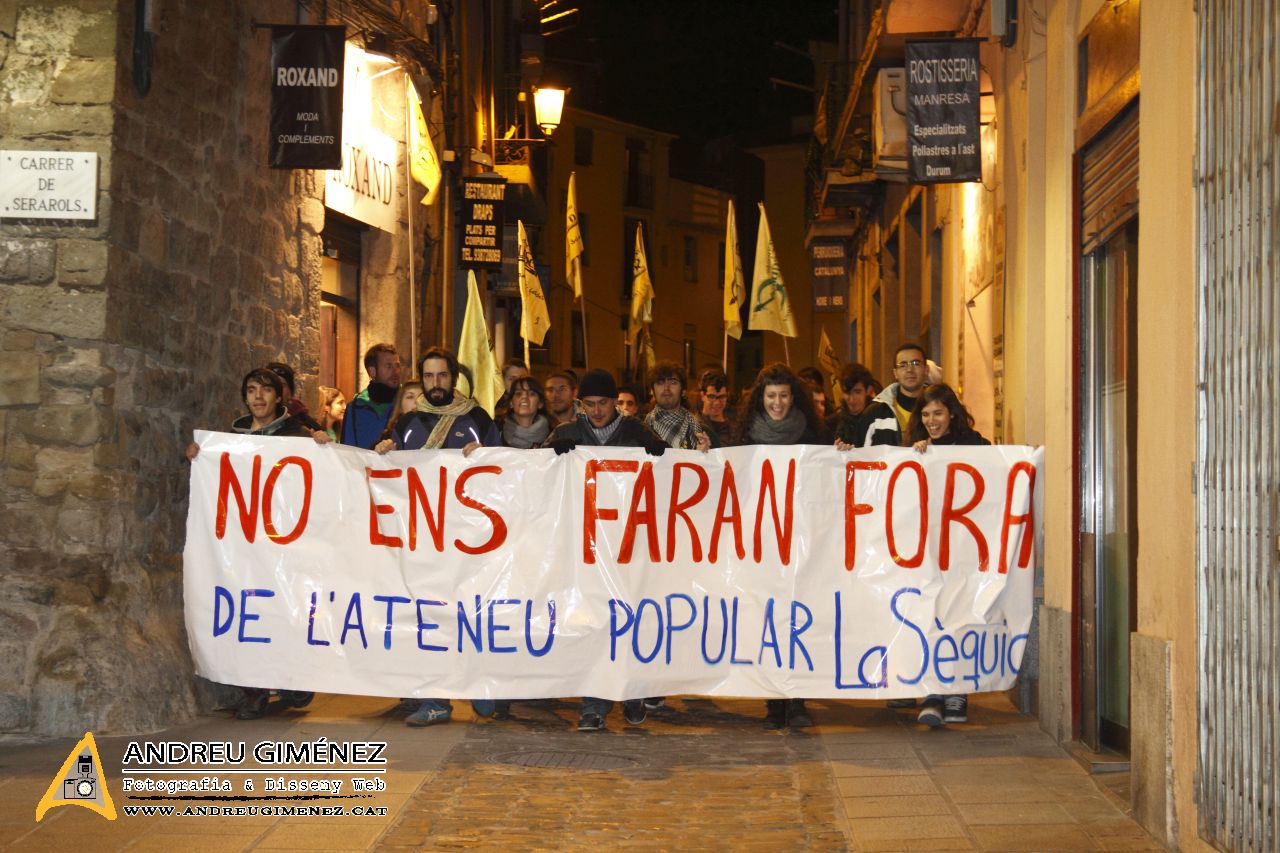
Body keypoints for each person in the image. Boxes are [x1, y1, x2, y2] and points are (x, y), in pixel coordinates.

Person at [185, 367, 327, 719]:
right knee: (247, 611)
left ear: (280, 397)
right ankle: (254, 690)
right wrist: (200, 455)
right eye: (251, 390)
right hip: (243, 543)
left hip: (284, 541)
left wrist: (325, 447)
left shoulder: (297, 435)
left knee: (282, 608)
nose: (258, 397)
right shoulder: (232, 437)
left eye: (265, 390)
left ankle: (292, 677)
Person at [543, 368, 667, 732]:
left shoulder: (637, 432)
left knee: (626, 620)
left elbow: (668, 474)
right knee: (593, 624)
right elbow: (538, 475)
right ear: (582, 404)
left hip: (627, 547)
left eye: (604, 404)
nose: (597, 412)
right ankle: (594, 705)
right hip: (584, 548)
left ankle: (631, 692)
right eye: (590, 405)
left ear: (617, 403)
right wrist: (552, 456)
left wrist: (661, 456)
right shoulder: (566, 433)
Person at [733, 363, 825, 729]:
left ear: (794, 397)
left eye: (784, 395)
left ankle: (797, 699)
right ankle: (774, 700)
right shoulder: (745, 438)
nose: (777, 402)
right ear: (761, 398)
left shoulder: (814, 436)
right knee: (766, 618)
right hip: (762, 543)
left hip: (801, 542)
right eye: (771, 396)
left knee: (798, 617)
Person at [905, 383, 989, 728]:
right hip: (929, 551)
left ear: (951, 413)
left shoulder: (977, 446)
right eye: (925, 415)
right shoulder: (917, 450)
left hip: (964, 552)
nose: (931, 421)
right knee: (929, 615)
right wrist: (915, 455)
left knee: (958, 615)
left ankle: (957, 690)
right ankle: (931, 692)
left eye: (937, 413)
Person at [851, 342, 930, 448]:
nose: (909, 370)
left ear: (926, 370)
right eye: (903, 365)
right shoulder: (875, 414)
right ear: (895, 373)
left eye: (916, 363)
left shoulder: (940, 410)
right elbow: (858, 456)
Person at [342, 343, 402, 449]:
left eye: (397, 365)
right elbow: (347, 449)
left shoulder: (405, 403)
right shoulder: (355, 407)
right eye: (389, 366)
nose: (395, 371)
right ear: (372, 371)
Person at [645, 361, 714, 451]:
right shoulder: (641, 430)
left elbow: (719, 463)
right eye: (660, 382)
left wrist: (707, 456)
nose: (666, 388)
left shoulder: (703, 433)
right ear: (653, 391)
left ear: (683, 391)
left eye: (673, 382)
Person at [830, 363, 879, 446]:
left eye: (857, 392)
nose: (852, 399)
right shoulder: (831, 424)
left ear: (869, 390)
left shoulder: (880, 421)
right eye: (847, 392)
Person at [500, 375, 552, 449]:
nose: (524, 397)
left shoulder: (553, 436)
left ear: (540, 403)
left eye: (531, 394)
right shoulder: (496, 433)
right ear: (511, 403)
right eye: (518, 394)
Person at [696, 370, 734, 446]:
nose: (717, 402)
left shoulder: (736, 426)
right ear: (702, 396)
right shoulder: (693, 426)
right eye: (712, 397)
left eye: (722, 397)